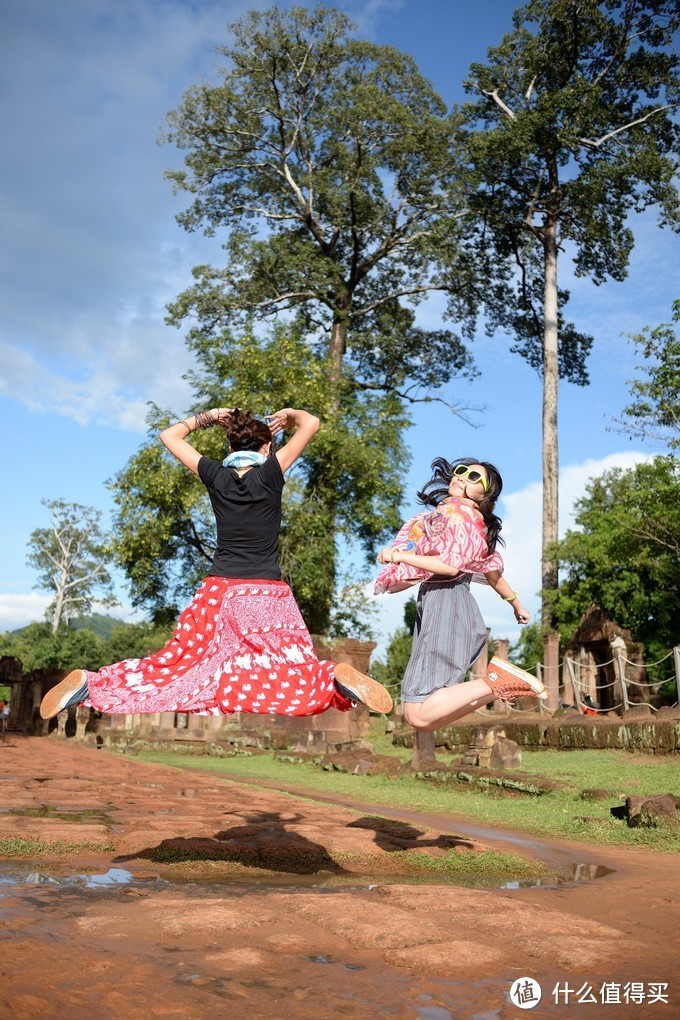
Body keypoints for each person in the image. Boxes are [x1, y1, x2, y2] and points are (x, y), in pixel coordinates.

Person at [40, 407, 392, 721]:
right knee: (287, 667)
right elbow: (311, 423)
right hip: (267, 595)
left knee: (178, 666)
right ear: (266, 448)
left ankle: (92, 683)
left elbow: (169, 436)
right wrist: (290, 416)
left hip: (219, 593)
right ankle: (332, 680)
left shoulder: (216, 476)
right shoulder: (271, 472)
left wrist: (209, 416)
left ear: (228, 449)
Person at [375, 456, 547, 733]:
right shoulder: (468, 522)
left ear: (486, 495)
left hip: (446, 602)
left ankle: (497, 679)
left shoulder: (458, 517)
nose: (462, 477)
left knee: (417, 711)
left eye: (474, 478)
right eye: (461, 471)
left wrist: (399, 555)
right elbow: (492, 574)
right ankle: (498, 686)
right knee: (421, 720)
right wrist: (516, 604)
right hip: (446, 604)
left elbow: (449, 565)